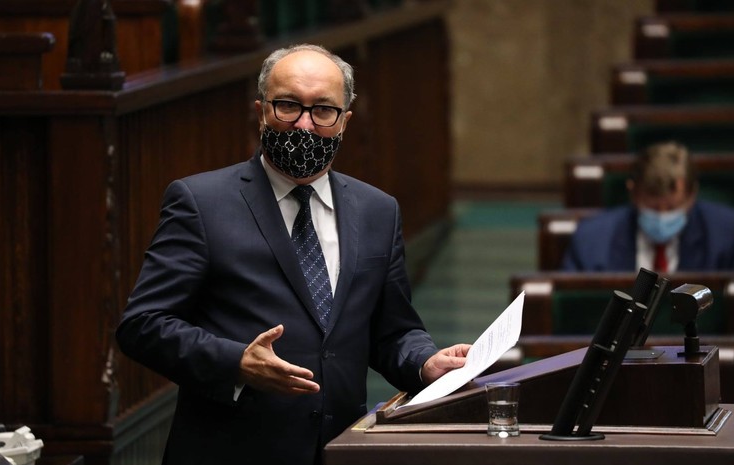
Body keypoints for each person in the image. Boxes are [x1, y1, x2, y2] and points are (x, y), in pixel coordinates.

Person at [115, 44, 471, 465]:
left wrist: (424, 362)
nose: (304, 123)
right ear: (261, 111)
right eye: (288, 106)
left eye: (323, 110)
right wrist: (236, 362)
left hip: (339, 450)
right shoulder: (201, 202)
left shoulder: (378, 210)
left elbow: (392, 330)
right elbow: (143, 324)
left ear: (345, 121)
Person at [562, 141, 734, 272]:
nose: (662, 216)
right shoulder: (591, 240)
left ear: (692, 195)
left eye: (672, 208)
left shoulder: (728, 235)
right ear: (633, 193)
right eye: (652, 207)